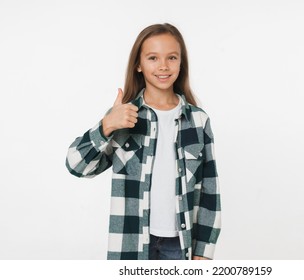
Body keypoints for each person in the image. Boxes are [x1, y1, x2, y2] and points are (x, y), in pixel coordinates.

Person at [66, 23, 221, 260]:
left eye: (171, 57)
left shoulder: (199, 121)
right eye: (152, 58)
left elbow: (210, 189)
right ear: (138, 64)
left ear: (181, 63)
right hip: (131, 242)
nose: (163, 66)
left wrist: (204, 251)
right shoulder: (123, 116)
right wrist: (106, 125)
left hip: (180, 246)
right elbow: (76, 166)